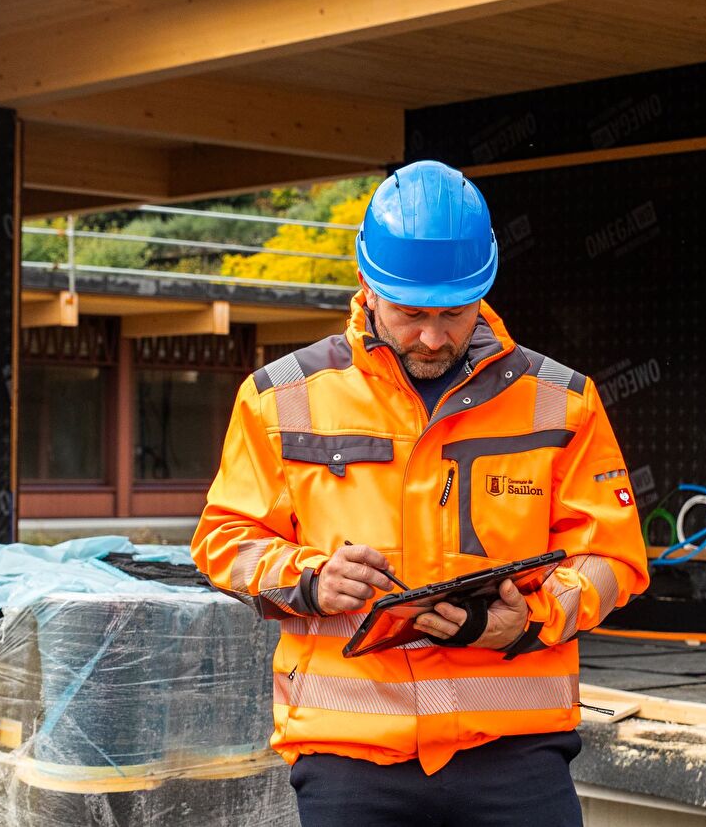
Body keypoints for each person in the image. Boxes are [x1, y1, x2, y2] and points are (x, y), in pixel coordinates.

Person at [191, 160, 648, 826]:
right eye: (410, 313)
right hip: (351, 757)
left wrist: (533, 618)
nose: (433, 337)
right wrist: (311, 579)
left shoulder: (562, 402)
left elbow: (614, 559)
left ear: (484, 290)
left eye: (454, 313)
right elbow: (222, 540)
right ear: (367, 286)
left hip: (514, 752)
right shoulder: (279, 399)